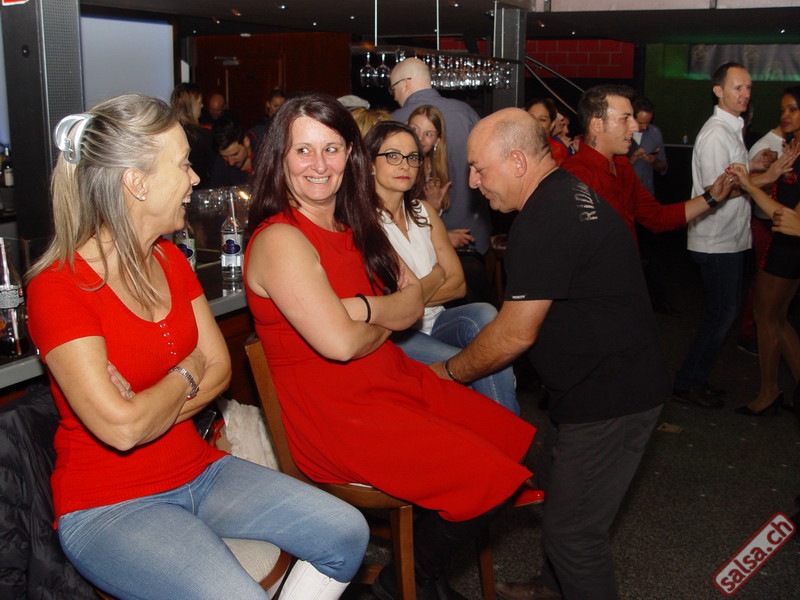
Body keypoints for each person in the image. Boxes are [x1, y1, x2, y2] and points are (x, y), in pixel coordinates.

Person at [25, 94, 369, 600]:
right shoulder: (59, 286)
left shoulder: (169, 259)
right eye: (183, 164)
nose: (195, 177)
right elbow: (123, 430)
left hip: (199, 469)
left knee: (347, 531)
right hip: (109, 503)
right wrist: (187, 372)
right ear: (137, 183)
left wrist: (148, 406)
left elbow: (219, 370)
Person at [243, 93, 536, 600]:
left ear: (350, 155)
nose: (319, 165)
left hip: (391, 381)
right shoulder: (281, 240)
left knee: (512, 442)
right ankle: (404, 584)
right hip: (340, 414)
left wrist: (359, 309)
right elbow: (341, 344)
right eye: (303, 150)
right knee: (486, 475)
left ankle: (421, 577)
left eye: (331, 149)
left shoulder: (356, 225)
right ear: (279, 158)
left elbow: (413, 302)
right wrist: (383, 311)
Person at [428, 108, 671, 600]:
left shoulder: (545, 217)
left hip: (612, 398)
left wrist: (447, 372)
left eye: (479, 168)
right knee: (565, 505)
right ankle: (552, 589)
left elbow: (514, 334)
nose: (473, 182)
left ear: (517, 162)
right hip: (597, 385)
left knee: (574, 536)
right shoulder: (560, 194)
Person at [366, 120, 518, 414]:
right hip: (395, 335)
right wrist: (437, 276)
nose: (405, 165)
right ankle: (507, 431)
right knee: (469, 364)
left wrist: (409, 298)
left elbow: (458, 284)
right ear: (370, 163)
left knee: (486, 316)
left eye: (412, 157)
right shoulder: (362, 222)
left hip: (437, 320)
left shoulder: (424, 212)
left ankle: (506, 428)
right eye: (393, 156)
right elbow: (388, 306)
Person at [674, 62, 791, 408]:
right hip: (716, 240)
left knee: (722, 313)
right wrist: (767, 177)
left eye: (748, 87)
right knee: (721, 314)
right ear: (718, 90)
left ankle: (694, 379)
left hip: (728, 238)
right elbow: (717, 190)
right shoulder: (716, 133)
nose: (745, 94)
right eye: (737, 87)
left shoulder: (731, 128)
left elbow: (732, 173)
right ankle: (688, 382)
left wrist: (752, 167)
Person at [562, 84, 732, 248]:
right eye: (625, 118)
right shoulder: (574, 175)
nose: (635, 126)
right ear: (597, 125)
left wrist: (711, 197)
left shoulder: (621, 166)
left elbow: (657, 217)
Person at [390, 58, 494, 304]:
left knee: (471, 292)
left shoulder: (394, 123)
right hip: (438, 245)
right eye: (415, 130)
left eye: (393, 89)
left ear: (405, 84)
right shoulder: (465, 112)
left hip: (454, 245)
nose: (420, 138)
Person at [730, 88, 800, 416]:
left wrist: (748, 185)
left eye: (793, 109)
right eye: (783, 109)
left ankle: (769, 391)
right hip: (785, 244)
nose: (785, 115)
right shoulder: (792, 149)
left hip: (787, 246)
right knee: (777, 318)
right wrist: (770, 175)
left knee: (766, 316)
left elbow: (786, 217)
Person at [737, 121, 787, 355]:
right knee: (763, 282)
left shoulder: (791, 144)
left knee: (780, 287)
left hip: (784, 226)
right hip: (766, 224)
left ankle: (772, 332)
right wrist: (773, 173)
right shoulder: (765, 146)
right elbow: (751, 186)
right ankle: (749, 334)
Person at [627, 96, 676, 315]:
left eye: (648, 122)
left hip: (648, 201)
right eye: (641, 123)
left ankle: (658, 302)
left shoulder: (655, 133)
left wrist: (654, 161)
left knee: (654, 256)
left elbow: (663, 167)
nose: (644, 127)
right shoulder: (621, 133)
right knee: (629, 257)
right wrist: (631, 160)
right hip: (626, 204)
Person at [408, 104, 452, 213]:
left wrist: (434, 207)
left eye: (428, 134)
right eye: (414, 129)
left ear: (437, 141)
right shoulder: (392, 164)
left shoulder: (433, 170)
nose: (419, 137)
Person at [170, 82, 215, 186]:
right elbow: (212, 169)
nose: (202, 105)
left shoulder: (169, 134)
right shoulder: (203, 135)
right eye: (200, 102)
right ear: (191, 106)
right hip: (200, 188)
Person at [209, 118, 266, 188]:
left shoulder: (266, 140)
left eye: (235, 154)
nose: (231, 162)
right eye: (225, 157)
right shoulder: (221, 163)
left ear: (246, 142)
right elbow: (216, 190)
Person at [524, 97, 568, 165]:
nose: (536, 123)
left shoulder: (556, 149)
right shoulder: (514, 144)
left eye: (542, 119)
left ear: (552, 125)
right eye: (531, 118)